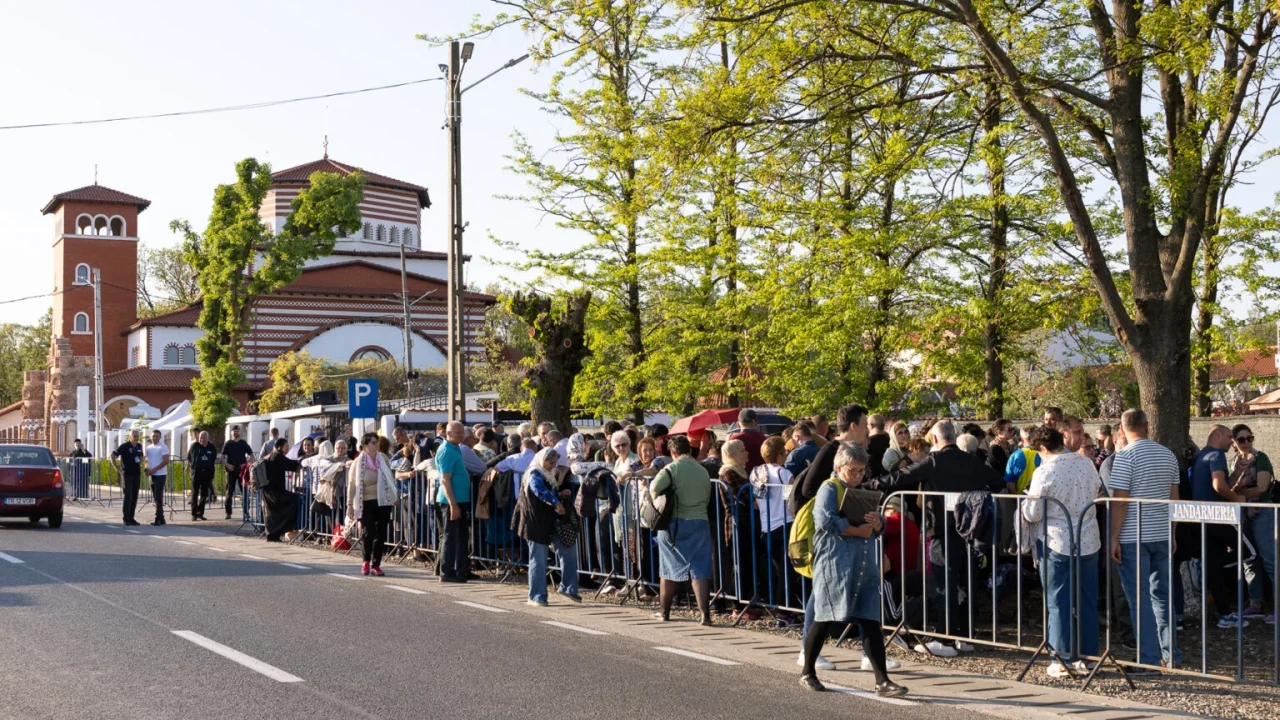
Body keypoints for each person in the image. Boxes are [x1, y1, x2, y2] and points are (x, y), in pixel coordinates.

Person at [872, 419, 1003, 650]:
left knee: (943, 585)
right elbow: (997, 481)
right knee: (964, 584)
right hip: (968, 531)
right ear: (954, 436)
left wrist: (870, 485)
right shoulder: (972, 460)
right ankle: (965, 636)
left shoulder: (933, 461)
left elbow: (900, 477)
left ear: (934, 439)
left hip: (941, 531)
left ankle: (944, 639)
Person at [801, 443, 906, 697]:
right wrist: (858, 530)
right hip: (835, 564)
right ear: (838, 467)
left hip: (862, 564)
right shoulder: (830, 487)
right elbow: (825, 520)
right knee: (824, 617)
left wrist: (877, 522)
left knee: (870, 620)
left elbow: (878, 526)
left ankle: (882, 681)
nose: (858, 476)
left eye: (861, 471)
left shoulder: (860, 490)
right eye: (853, 470)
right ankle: (808, 672)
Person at [1021, 425, 1101, 678]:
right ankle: (1088, 656)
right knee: (1087, 599)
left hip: (1057, 540)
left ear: (1043, 448)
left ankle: (1063, 657)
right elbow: (1098, 491)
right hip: (1088, 537)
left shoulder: (1045, 470)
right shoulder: (1086, 463)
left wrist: (1024, 504)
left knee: (1059, 601)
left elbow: (1032, 513)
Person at [1107, 409, 1181, 672]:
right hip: (1161, 533)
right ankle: (1171, 655)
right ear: (1147, 425)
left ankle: (1148, 660)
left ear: (1123, 428)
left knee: (1139, 600)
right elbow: (1174, 500)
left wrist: (1113, 537)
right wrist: (1172, 533)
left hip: (1133, 536)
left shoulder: (1125, 457)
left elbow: (1120, 501)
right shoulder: (1168, 454)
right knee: (1162, 596)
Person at [1191, 424, 1254, 630]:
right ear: (1217, 436)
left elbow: (1219, 483)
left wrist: (1237, 472)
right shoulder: (1217, 454)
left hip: (1201, 520)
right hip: (1217, 517)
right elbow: (1218, 486)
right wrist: (1238, 499)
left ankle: (1224, 614)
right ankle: (1206, 570)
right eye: (1229, 437)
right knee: (1250, 552)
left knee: (1215, 565)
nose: (1232, 441)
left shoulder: (1202, 456)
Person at [650, 435, 714, 624]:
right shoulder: (702, 470)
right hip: (700, 521)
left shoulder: (671, 469)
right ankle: (705, 614)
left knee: (669, 566)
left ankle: (664, 612)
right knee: (700, 568)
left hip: (675, 522)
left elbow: (654, 489)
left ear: (673, 452)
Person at [516, 447, 580, 605]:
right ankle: (536, 596)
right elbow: (538, 490)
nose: (553, 465)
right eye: (550, 462)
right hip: (535, 523)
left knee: (569, 552)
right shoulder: (534, 473)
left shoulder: (547, 474)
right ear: (541, 459)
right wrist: (556, 501)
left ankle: (568, 588)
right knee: (538, 559)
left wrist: (559, 495)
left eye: (555, 462)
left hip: (551, 521)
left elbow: (546, 491)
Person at [1231, 424, 1276, 623]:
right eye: (1242, 439)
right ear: (1234, 441)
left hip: (1263, 513)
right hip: (1242, 514)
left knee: (1271, 560)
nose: (1247, 442)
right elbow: (1228, 486)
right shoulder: (1235, 461)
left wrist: (1240, 494)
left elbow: (1262, 487)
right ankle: (1255, 603)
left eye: (1250, 438)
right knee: (1249, 559)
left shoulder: (1261, 458)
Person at [792, 404, 869, 514]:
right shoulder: (829, 450)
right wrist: (836, 505)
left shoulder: (855, 450)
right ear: (853, 426)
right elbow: (808, 489)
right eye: (865, 425)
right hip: (828, 523)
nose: (867, 431)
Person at [751, 436, 796, 608]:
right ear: (779, 455)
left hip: (766, 525)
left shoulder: (755, 472)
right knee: (788, 571)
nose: (786, 455)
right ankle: (786, 609)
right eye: (784, 452)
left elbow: (756, 500)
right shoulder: (784, 473)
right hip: (785, 523)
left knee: (777, 570)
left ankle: (777, 604)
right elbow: (791, 501)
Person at [346, 434, 398, 576]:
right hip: (366, 501)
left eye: (377, 442)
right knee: (368, 532)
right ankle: (366, 561)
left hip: (383, 500)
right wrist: (350, 504)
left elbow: (390, 479)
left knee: (380, 533)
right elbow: (351, 484)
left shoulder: (383, 459)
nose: (376, 445)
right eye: (373, 442)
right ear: (366, 445)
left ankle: (377, 564)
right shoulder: (358, 462)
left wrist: (394, 495)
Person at [436, 421, 472, 583]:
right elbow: (445, 479)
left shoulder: (455, 448)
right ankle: (447, 571)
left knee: (462, 536)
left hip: (461, 499)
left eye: (462, 432)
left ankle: (462, 569)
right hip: (451, 501)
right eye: (458, 433)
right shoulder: (446, 451)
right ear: (448, 434)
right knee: (451, 536)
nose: (462, 435)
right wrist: (453, 504)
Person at [260, 438, 300, 542]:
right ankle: (283, 530)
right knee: (293, 500)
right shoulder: (278, 456)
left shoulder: (271, 456)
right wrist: (301, 460)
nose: (288, 448)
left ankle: (273, 535)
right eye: (286, 446)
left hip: (268, 490)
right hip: (275, 491)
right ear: (279, 447)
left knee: (272, 513)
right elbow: (292, 465)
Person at [111, 429, 144, 526]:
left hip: (136, 474)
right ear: (130, 437)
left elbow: (140, 456)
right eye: (134, 436)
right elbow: (113, 455)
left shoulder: (139, 446)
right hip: (127, 474)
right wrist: (118, 469)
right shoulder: (124, 446)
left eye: (137, 436)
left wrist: (141, 461)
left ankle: (132, 517)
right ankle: (126, 518)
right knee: (128, 496)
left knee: (134, 496)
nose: (136, 438)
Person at [221, 426, 254, 520]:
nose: (235, 432)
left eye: (237, 431)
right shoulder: (228, 443)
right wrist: (227, 465)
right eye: (234, 431)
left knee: (245, 492)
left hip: (242, 470)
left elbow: (252, 456)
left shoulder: (243, 443)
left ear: (239, 432)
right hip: (231, 470)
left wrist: (246, 464)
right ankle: (228, 513)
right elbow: (222, 458)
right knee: (229, 492)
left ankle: (246, 512)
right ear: (231, 433)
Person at [186, 431, 218, 521]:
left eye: (204, 438)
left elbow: (213, 458)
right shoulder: (194, 446)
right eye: (201, 438)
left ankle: (200, 512)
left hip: (207, 473)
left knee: (204, 494)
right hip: (196, 473)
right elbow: (189, 457)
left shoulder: (211, 447)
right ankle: (194, 513)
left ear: (208, 438)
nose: (202, 439)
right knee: (194, 493)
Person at [144, 430, 170, 527]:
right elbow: (147, 460)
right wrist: (146, 469)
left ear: (160, 437)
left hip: (160, 474)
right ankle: (161, 518)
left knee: (159, 497)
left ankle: (158, 518)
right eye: (153, 436)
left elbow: (166, 461)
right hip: (152, 475)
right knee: (155, 496)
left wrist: (154, 469)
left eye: (156, 436)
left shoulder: (163, 447)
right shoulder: (149, 448)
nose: (155, 438)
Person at [1005, 424, 1041, 494]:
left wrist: (1015, 501)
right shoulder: (1044, 453)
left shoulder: (1014, 456)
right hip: (1042, 500)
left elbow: (1010, 484)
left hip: (1020, 500)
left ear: (1022, 438)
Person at [729, 409, 768, 473]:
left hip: (739, 477)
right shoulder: (764, 439)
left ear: (738, 424)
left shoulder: (733, 439)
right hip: (760, 476)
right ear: (756, 423)